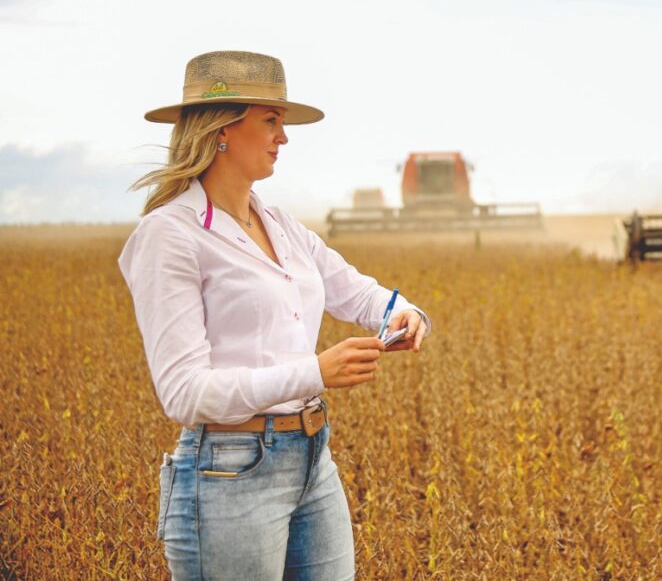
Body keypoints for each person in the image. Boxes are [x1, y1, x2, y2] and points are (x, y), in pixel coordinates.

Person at [118, 50, 430, 579]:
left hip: (312, 457)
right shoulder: (169, 235)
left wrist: (404, 312)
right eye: (270, 121)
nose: (283, 137)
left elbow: (358, 293)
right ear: (221, 129)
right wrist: (316, 372)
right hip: (229, 471)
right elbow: (184, 392)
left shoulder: (281, 224)